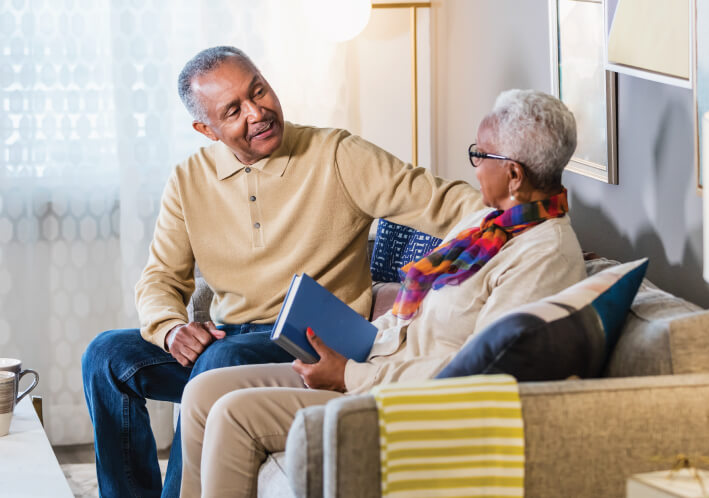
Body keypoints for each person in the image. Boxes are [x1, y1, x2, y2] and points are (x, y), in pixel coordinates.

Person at [81, 46, 482, 498]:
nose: (258, 112)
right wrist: (172, 329)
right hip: (230, 336)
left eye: (259, 91)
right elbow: (159, 279)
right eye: (234, 110)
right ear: (206, 129)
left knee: (217, 363)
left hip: (312, 343)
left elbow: (443, 203)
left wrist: (517, 214)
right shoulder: (188, 180)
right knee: (106, 356)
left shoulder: (336, 153)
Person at [177, 89, 588, 497]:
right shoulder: (489, 223)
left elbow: (481, 375)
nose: (475, 166)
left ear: (514, 175)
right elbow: (414, 311)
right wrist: (353, 343)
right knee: (202, 391)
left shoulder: (543, 256)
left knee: (234, 413)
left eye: (480, 155)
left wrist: (348, 376)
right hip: (373, 361)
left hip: (408, 402)